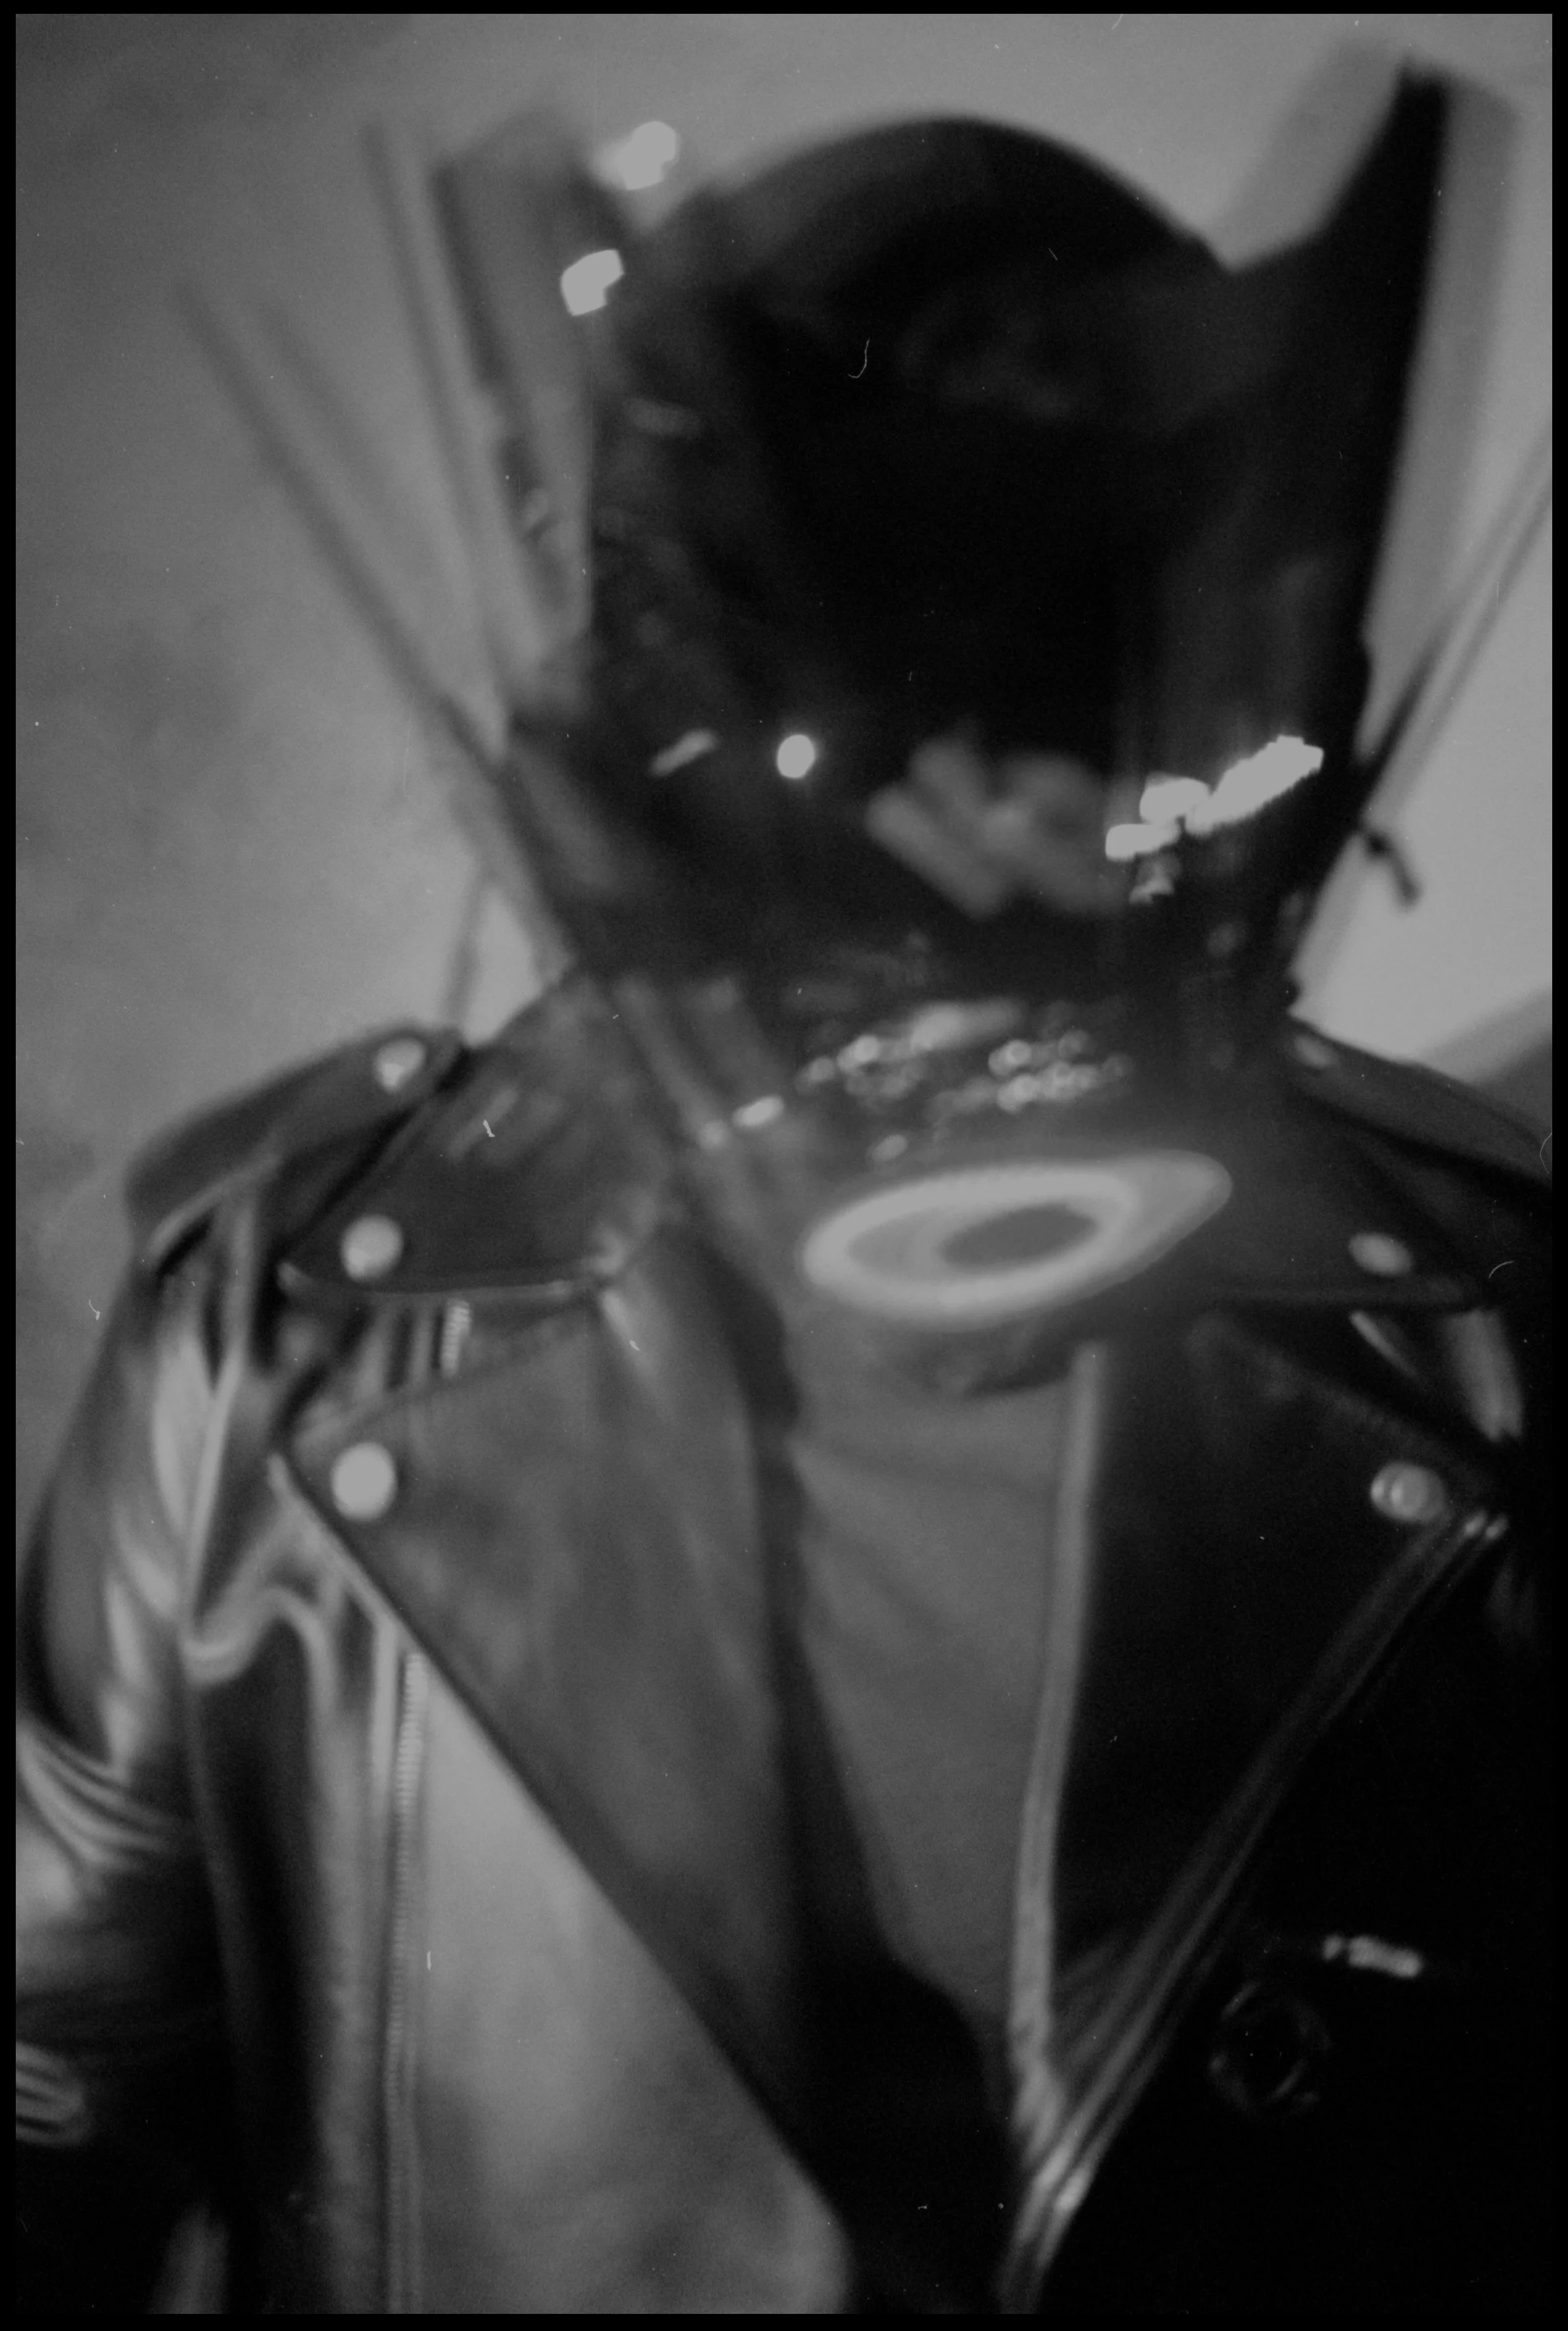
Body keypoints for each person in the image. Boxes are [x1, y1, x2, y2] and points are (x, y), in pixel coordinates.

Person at [16, 78, 1550, 2315]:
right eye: (892, 690)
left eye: (1052, 688)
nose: (971, 832)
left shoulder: (1497, 1339)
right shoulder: (284, 1340)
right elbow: (45, 2106)